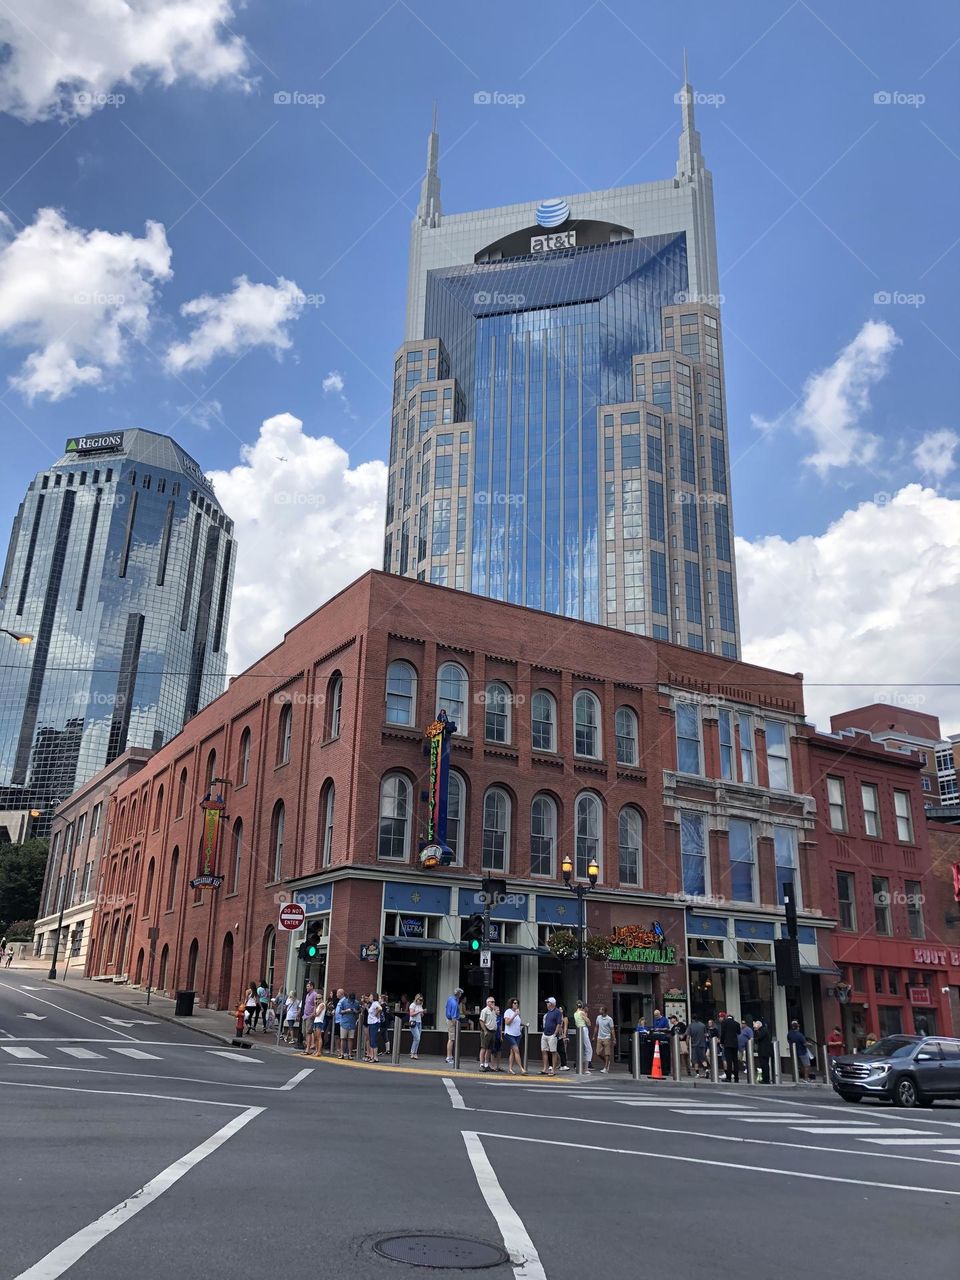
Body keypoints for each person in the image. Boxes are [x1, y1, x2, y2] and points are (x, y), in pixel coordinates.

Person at [540, 997, 562, 1075]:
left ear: (552, 1004)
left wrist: (555, 1034)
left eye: (548, 1003)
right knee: (544, 1051)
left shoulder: (557, 1012)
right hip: (545, 1034)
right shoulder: (548, 1012)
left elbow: (558, 1023)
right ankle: (545, 1068)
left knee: (553, 1051)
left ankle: (553, 1070)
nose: (547, 1004)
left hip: (552, 1034)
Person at [503, 998, 525, 1074]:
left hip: (517, 1034)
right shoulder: (508, 1012)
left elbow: (517, 1023)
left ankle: (510, 1068)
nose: (516, 1004)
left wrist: (523, 1025)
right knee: (516, 1051)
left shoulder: (517, 1012)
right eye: (514, 1003)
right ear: (511, 1004)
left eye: (517, 1003)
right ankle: (521, 1068)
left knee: (512, 1052)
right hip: (510, 1034)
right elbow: (507, 1022)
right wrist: (515, 1015)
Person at [719, 1011, 741, 1082]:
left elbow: (723, 1034)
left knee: (729, 1061)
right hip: (735, 1044)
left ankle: (728, 1078)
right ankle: (736, 1078)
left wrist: (721, 1042)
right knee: (735, 1061)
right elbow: (739, 1032)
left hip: (727, 1044)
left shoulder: (724, 1023)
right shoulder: (737, 1023)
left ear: (727, 1017)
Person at [478, 995, 498, 1071]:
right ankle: (481, 1064)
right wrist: (485, 1031)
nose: (493, 1003)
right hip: (487, 1031)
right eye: (492, 1002)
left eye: (494, 1002)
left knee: (490, 1049)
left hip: (493, 1031)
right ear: (488, 1003)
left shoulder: (493, 1011)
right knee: (483, 1048)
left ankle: (486, 1064)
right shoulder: (484, 1011)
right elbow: (481, 1021)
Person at [445, 988, 464, 1064]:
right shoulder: (455, 1004)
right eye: (461, 994)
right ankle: (449, 1057)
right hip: (452, 1021)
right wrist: (456, 1024)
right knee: (451, 1039)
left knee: (451, 1038)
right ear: (459, 994)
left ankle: (450, 1056)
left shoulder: (450, 998)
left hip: (448, 1019)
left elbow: (446, 1007)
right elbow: (453, 1017)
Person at [594, 1004, 615, 1073]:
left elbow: (612, 1029)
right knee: (598, 1052)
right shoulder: (598, 1017)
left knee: (607, 1053)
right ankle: (606, 1062)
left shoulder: (609, 1019)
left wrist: (614, 1038)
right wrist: (594, 1036)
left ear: (604, 1011)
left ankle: (606, 1067)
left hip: (607, 1037)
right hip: (600, 1037)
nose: (599, 1010)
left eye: (601, 1009)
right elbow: (596, 1027)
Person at [339, 992, 359, 1058]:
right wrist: (346, 1010)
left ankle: (350, 1054)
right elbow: (340, 1011)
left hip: (352, 1023)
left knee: (351, 1039)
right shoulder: (344, 1002)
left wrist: (356, 1011)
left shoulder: (356, 1003)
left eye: (353, 1000)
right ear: (348, 998)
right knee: (343, 1038)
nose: (352, 1001)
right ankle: (342, 1053)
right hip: (344, 1022)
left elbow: (359, 1011)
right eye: (351, 999)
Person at [574, 1001, 593, 1071]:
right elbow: (589, 1023)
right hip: (584, 1029)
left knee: (581, 1048)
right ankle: (586, 1068)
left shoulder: (575, 1013)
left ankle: (579, 1066)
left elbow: (576, 1023)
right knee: (588, 1049)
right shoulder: (582, 1013)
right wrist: (586, 1018)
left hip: (579, 1030)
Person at [366, 993, 383, 1061]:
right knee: (372, 1040)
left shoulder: (375, 1003)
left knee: (373, 1040)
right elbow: (371, 1012)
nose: (369, 997)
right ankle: (372, 1056)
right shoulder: (373, 1004)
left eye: (370, 996)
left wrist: (375, 1014)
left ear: (373, 997)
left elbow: (380, 1008)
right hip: (371, 1023)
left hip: (374, 1023)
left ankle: (375, 1057)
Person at [302, 981, 318, 1052]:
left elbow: (315, 1005)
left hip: (310, 1016)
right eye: (307, 986)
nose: (307, 987)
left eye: (308, 986)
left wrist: (313, 1014)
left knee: (308, 1032)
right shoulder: (307, 995)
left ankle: (308, 1049)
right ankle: (307, 1046)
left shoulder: (314, 994)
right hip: (305, 1015)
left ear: (312, 987)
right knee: (304, 1032)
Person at [408, 993, 424, 1059]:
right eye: (419, 1000)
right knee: (417, 1038)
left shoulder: (420, 1005)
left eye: (421, 1000)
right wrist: (418, 1011)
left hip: (419, 1022)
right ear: (416, 999)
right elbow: (411, 1014)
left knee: (416, 1039)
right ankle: (413, 1052)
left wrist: (422, 1012)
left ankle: (414, 1052)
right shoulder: (413, 1005)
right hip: (413, 1023)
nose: (420, 1001)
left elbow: (421, 1015)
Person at [556, 1004, 570, 1071]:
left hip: (563, 1035)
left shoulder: (565, 1018)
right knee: (558, 1051)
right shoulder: (558, 1017)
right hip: (559, 1035)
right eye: (559, 1008)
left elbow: (565, 1027)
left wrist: (564, 1035)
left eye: (561, 1009)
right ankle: (560, 1063)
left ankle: (564, 1064)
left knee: (563, 1050)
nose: (560, 1010)